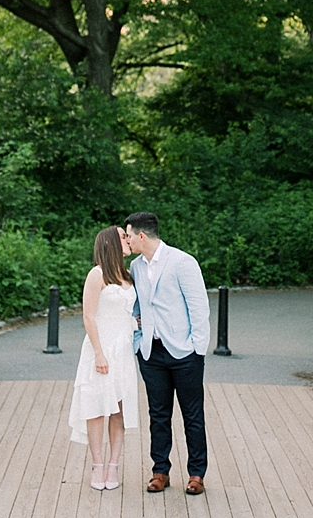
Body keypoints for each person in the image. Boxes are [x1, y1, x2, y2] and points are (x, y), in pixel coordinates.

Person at [125, 211, 210, 495]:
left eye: (128, 235)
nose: (126, 240)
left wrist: (197, 349)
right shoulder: (136, 267)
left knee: (192, 414)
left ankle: (196, 473)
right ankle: (160, 470)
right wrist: (138, 340)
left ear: (141, 235)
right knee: (158, 414)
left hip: (184, 352)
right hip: (151, 353)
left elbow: (199, 307)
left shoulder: (182, 262)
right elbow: (137, 306)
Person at [68, 226, 140, 490]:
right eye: (123, 236)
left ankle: (114, 465)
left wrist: (135, 322)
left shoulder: (129, 276)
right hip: (100, 349)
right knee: (97, 409)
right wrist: (99, 353)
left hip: (123, 351)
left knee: (119, 410)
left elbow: (123, 312)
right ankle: (97, 464)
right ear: (110, 242)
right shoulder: (97, 274)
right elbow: (89, 316)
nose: (128, 239)